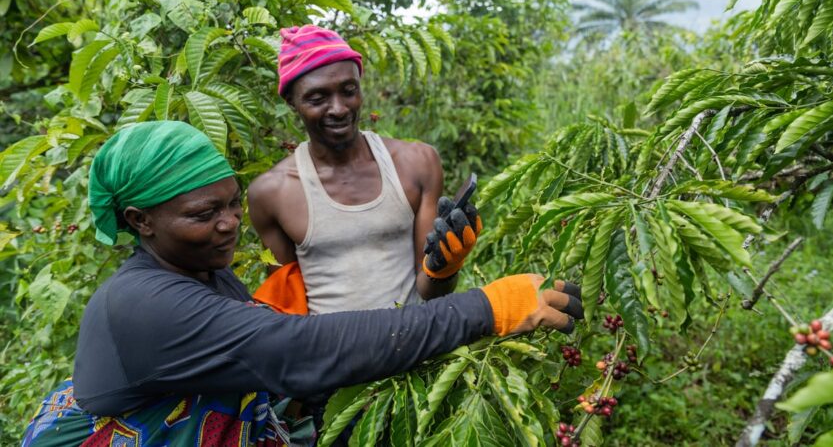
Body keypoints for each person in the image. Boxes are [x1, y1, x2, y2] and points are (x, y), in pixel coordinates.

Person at [21, 121, 583, 446]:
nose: (230, 223)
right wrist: (486, 309)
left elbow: (276, 368)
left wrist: (438, 277)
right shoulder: (142, 302)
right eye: (203, 214)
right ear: (141, 220)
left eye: (230, 204)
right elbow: (300, 351)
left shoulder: (206, 274)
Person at [248, 24, 482, 316]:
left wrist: (444, 266)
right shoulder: (271, 194)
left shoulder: (417, 164)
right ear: (291, 102)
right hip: (328, 345)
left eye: (349, 91)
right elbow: (287, 308)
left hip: (413, 340)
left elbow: (430, 290)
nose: (339, 109)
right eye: (317, 99)